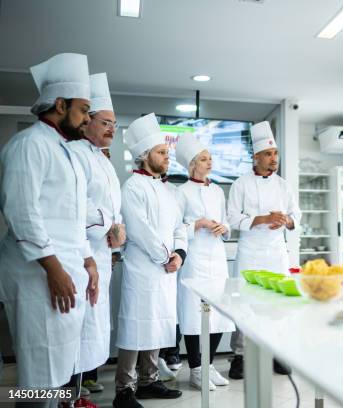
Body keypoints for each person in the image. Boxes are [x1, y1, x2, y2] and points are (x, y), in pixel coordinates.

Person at [0, 53, 98, 406]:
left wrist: (88, 261)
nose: (87, 118)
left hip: (64, 272)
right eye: (84, 110)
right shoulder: (29, 145)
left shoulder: (66, 151)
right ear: (60, 104)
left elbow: (72, 216)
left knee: (59, 366)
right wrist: (54, 268)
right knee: (38, 369)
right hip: (36, 275)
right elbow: (22, 212)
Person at [113, 113, 186, 408]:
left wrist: (179, 255)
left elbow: (180, 227)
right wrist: (164, 256)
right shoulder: (132, 188)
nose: (167, 158)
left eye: (167, 153)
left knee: (157, 325)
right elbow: (140, 230)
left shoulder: (169, 190)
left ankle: (149, 380)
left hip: (166, 270)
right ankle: (124, 389)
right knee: (136, 326)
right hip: (143, 269)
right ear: (145, 156)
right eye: (161, 153)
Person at [227, 121, 301, 379]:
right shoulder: (241, 184)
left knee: (279, 303)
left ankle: (275, 353)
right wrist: (262, 219)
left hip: (276, 251)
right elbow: (233, 219)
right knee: (247, 303)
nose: (274, 159)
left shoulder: (283, 185)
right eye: (268, 154)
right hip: (250, 252)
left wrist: (286, 220)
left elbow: (296, 216)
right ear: (256, 157)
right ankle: (240, 356)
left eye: (276, 153)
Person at [69, 73, 126, 400]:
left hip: (102, 256)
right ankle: (68, 396)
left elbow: (111, 208)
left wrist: (116, 229)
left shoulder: (102, 161)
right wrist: (110, 224)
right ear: (87, 121)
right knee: (76, 329)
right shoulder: (76, 153)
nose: (111, 129)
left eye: (114, 125)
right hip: (80, 256)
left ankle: (78, 395)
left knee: (92, 328)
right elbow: (78, 205)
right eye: (105, 122)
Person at [175, 134, 236, 390]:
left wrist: (225, 227)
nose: (209, 162)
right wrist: (197, 224)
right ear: (192, 164)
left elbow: (227, 221)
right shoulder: (181, 192)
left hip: (216, 256)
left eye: (210, 158)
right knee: (193, 313)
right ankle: (197, 369)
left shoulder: (217, 191)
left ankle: (209, 365)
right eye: (203, 159)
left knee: (219, 312)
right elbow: (176, 227)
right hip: (195, 258)